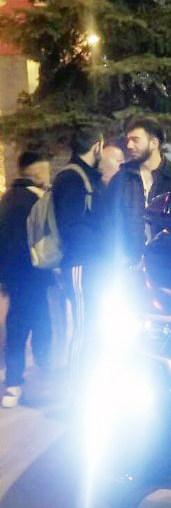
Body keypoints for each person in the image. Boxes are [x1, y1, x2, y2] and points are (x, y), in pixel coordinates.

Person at [52, 126, 106, 384]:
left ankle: (92, 381)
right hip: (81, 264)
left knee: (95, 326)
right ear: (97, 146)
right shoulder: (72, 178)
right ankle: (77, 386)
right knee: (85, 328)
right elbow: (70, 226)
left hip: (91, 264)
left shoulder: (86, 176)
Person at [0, 152, 53, 408]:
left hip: (15, 277)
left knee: (16, 328)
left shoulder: (7, 199)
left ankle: (12, 384)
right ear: (37, 172)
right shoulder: (38, 200)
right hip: (36, 273)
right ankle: (43, 377)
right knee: (42, 324)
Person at [104, 117, 171, 264]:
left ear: (154, 143)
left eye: (135, 140)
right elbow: (108, 221)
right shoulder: (121, 179)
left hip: (168, 262)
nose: (129, 145)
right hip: (128, 264)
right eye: (128, 140)